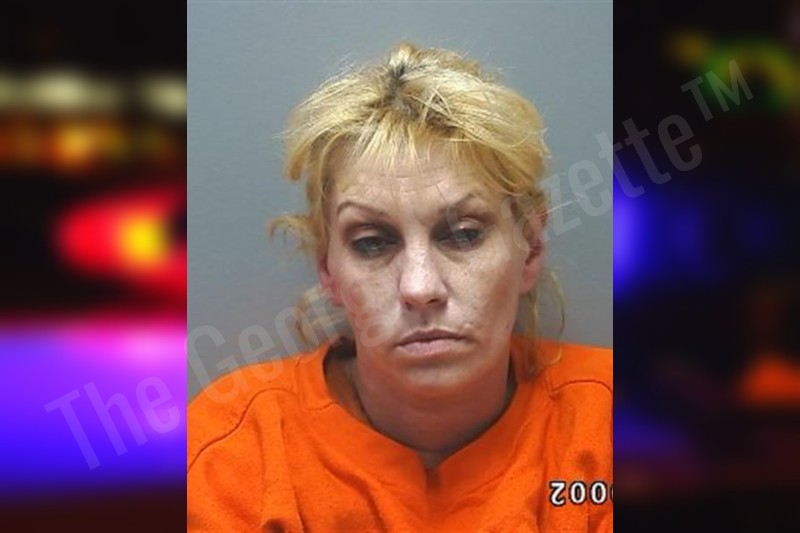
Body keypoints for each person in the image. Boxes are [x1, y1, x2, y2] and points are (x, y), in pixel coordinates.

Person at [187, 42, 612, 531]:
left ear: (530, 249)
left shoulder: (613, 428)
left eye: (463, 234)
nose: (419, 287)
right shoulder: (233, 453)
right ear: (327, 268)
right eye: (372, 243)